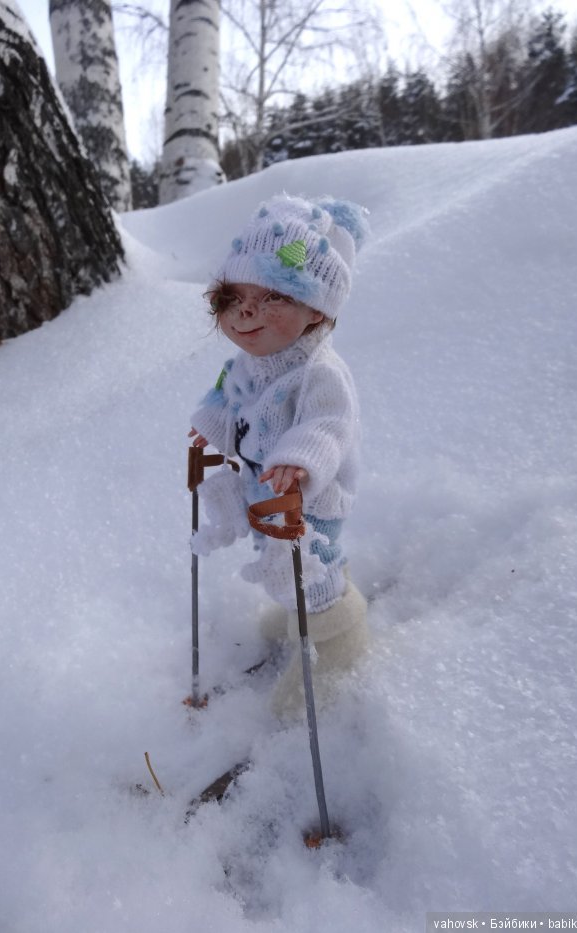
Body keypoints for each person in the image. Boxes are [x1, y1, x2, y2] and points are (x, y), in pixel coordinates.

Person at [188, 193, 370, 719]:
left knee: (312, 567)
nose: (246, 312)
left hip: (309, 502)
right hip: (266, 494)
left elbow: (329, 425)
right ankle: (301, 611)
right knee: (281, 564)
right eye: (232, 297)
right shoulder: (246, 364)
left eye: (273, 297)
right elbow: (227, 404)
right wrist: (208, 435)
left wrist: (300, 459)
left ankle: (339, 635)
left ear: (318, 309)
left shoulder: (319, 372)